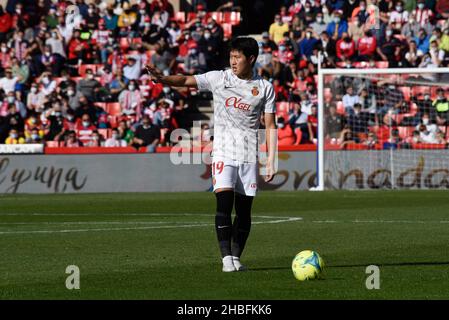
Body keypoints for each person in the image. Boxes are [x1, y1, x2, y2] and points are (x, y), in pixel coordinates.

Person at [147, 37, 277, 272]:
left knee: (245, 211)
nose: (233, 61)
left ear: (251, 59)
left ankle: (236, 258)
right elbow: (186, 80)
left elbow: (270, 125)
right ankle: (226, 258)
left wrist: (271, 159)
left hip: (249, 155)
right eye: (231, 56)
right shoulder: (219, 78)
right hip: (223, 152)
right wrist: (163, 79)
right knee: (224, 203)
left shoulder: (265, 88)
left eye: (238, 57)